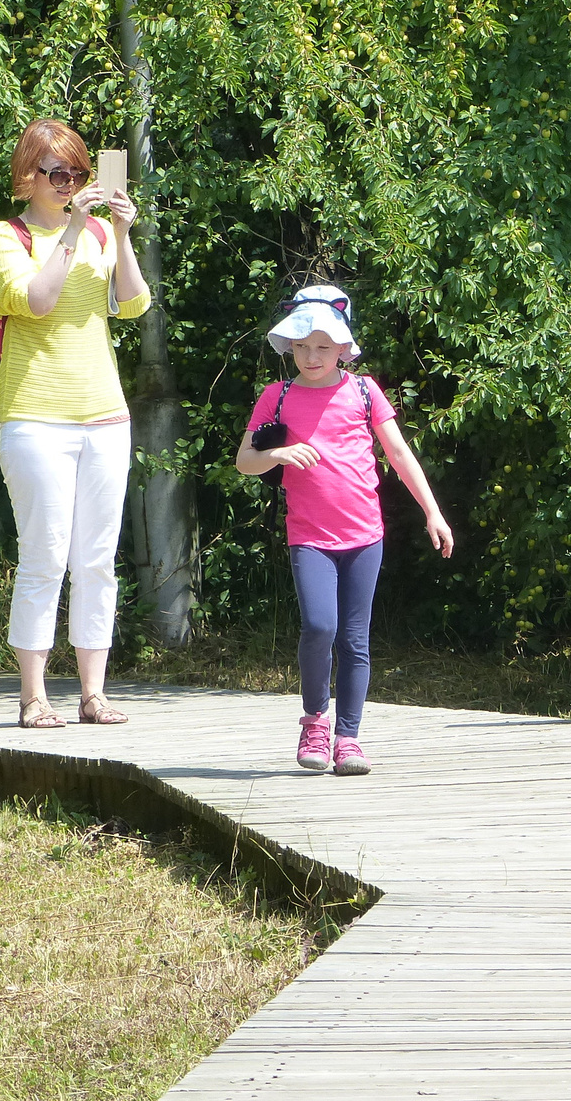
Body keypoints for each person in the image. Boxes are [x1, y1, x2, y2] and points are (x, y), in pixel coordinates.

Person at [235, 285, 454, 775]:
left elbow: (399, 455)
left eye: (323, 347)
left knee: (355, 640)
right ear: (288, 346)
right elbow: (245, 461)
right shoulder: (277, 395)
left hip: (364, 536)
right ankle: (315, 720)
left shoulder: (363, 390)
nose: (311, 356)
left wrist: (433, 513)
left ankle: (348, 739)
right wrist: (277, 454)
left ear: (343, 348)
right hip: (308, 535)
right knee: (319, 627)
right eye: (301, 346)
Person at [0, 119, 152, 728]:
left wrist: (123, 234)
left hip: (105, 416)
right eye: (58, 173)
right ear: (28, 176)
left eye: (79, 173)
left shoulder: (105, 233)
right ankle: (33, 697)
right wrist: (75, 227)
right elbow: (34, 301)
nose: (70, 184)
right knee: (44, 557)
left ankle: (92, 693)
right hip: (35, 418)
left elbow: (133, 305)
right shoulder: (8, 235)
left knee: (97, 559)